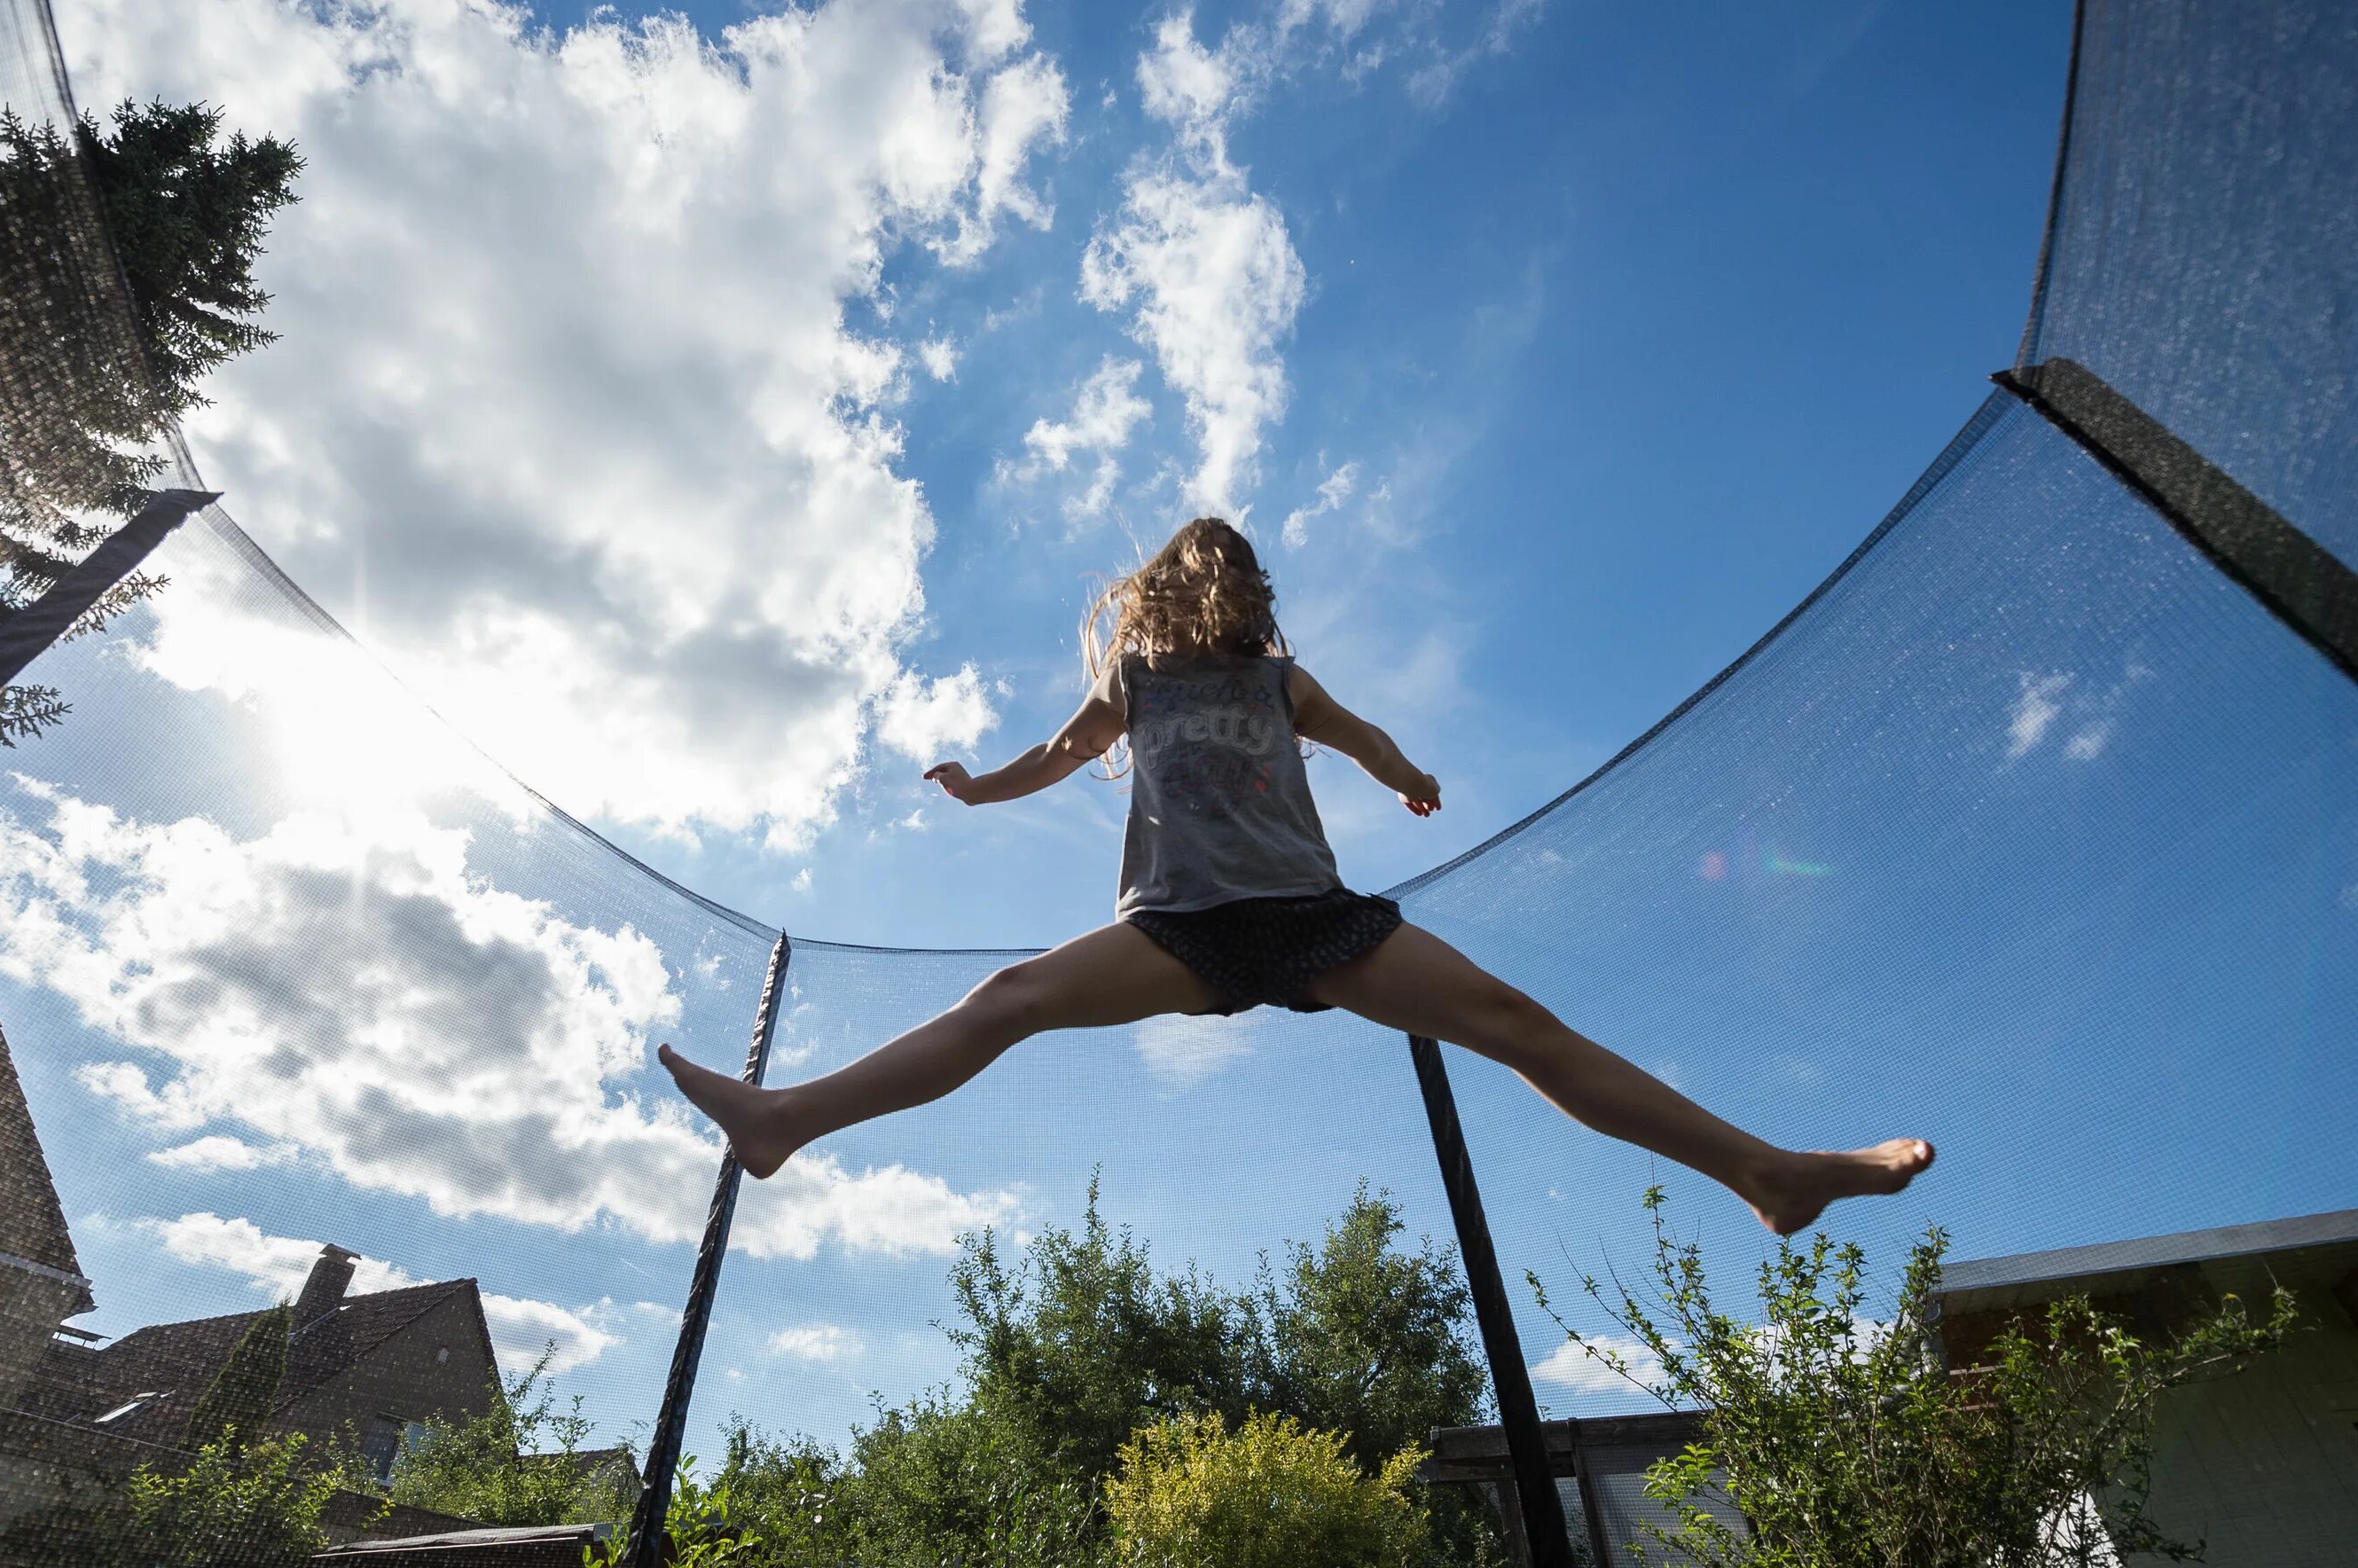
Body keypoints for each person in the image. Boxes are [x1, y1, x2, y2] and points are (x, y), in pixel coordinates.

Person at [661, 517, 1931, 1236]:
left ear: (1250, 604)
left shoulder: (1278, 680)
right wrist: (982, 790)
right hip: (1180, 930)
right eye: (1195, 588)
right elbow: (1062, 749)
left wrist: (1402, 769)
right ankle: (786, 1120)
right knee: (1009, 997)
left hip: (1318, 924)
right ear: (1162, 601)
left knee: (1522, 1027)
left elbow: (1359, 730)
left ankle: (1765, 1171)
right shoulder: (1139, 680)